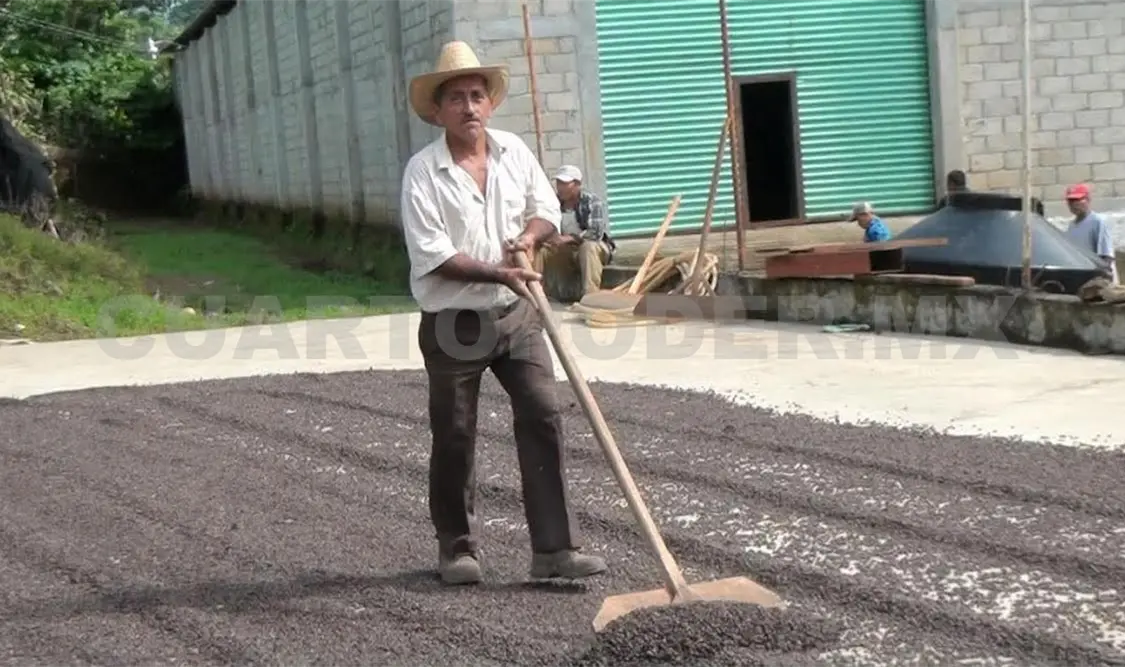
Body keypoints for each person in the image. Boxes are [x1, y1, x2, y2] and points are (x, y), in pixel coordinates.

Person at [398, 41, 608, 586]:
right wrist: (500, 270)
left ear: (490, 104)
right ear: (437, 111)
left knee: (543, 415)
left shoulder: (514, 151)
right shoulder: (423, 173)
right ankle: (458, 549)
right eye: (457, 98)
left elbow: (543, 211)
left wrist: (528, 236)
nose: (469, 106)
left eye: (477, 96)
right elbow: (434, 255)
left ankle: (554, 551)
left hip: (518, 315)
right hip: (454, 324)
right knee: (455, 434)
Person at [533, 165, 615, 298]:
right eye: (558, 183)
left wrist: (570, 238)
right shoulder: (554, 202)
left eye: (565, 184)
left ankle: (590, 296)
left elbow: (595, 232)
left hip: (595, 247)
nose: (560, 187)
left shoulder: (591, 201)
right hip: (568, 249)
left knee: (587, 247)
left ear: (577, 184)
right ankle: (538, 295)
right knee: (541, 250)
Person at [1063, 183, 1118, 284]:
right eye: (1071, 201)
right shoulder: (1072, 226)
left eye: (1078, 199)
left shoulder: (1098, 221)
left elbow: (1106, 257)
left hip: (1100, 281)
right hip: (1083, 279)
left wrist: (1102, 282)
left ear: (1088, 199)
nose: (1074, 204)